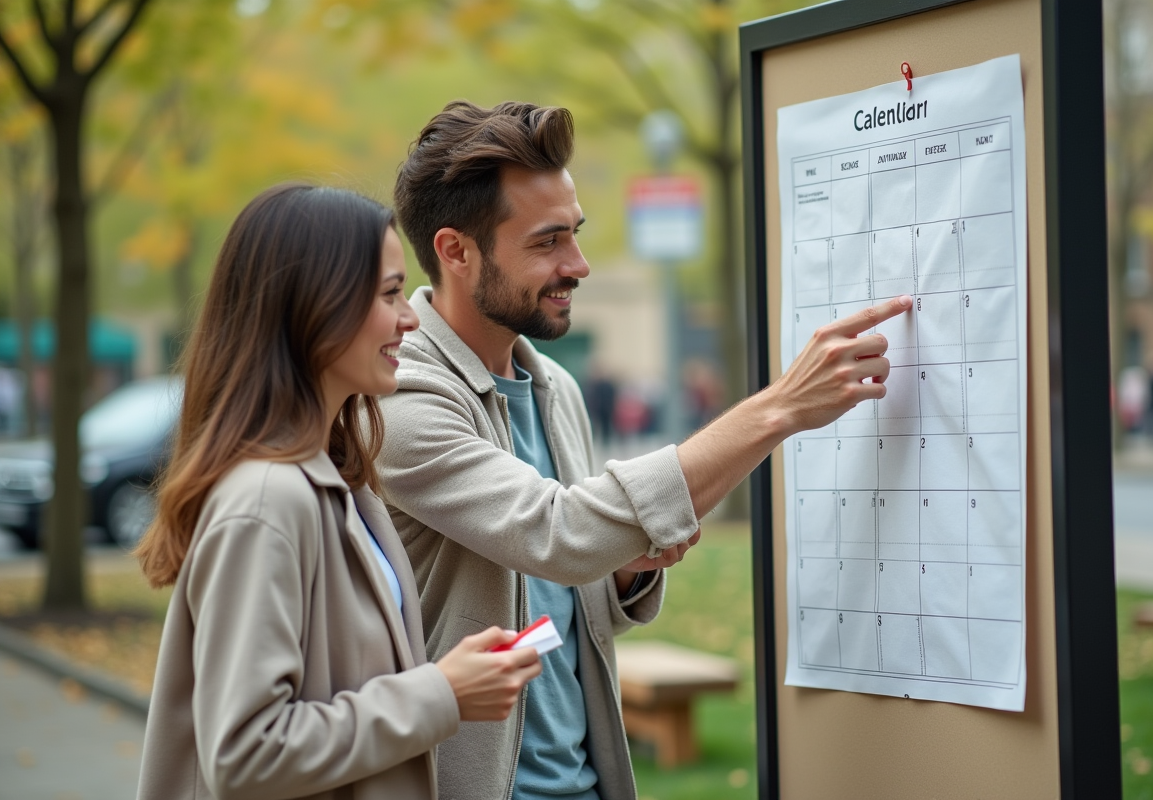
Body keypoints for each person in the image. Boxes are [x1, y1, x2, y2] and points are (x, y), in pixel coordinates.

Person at [381, 101, 910, 800]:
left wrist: (623, 573)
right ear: (456, 251)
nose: (579, 264)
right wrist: (778, 407)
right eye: (547, 243)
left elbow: (566, 602)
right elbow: (557, 533)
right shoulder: (401, 398)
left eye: (576, 234)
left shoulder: (554, 388)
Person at [133, 184, 542, 800]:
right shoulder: (267, 501)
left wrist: (447, 677)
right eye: (388, 294)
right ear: (312, 309)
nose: (410, 317)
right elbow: (245, 754)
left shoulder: (341, 482)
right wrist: (441, 693)